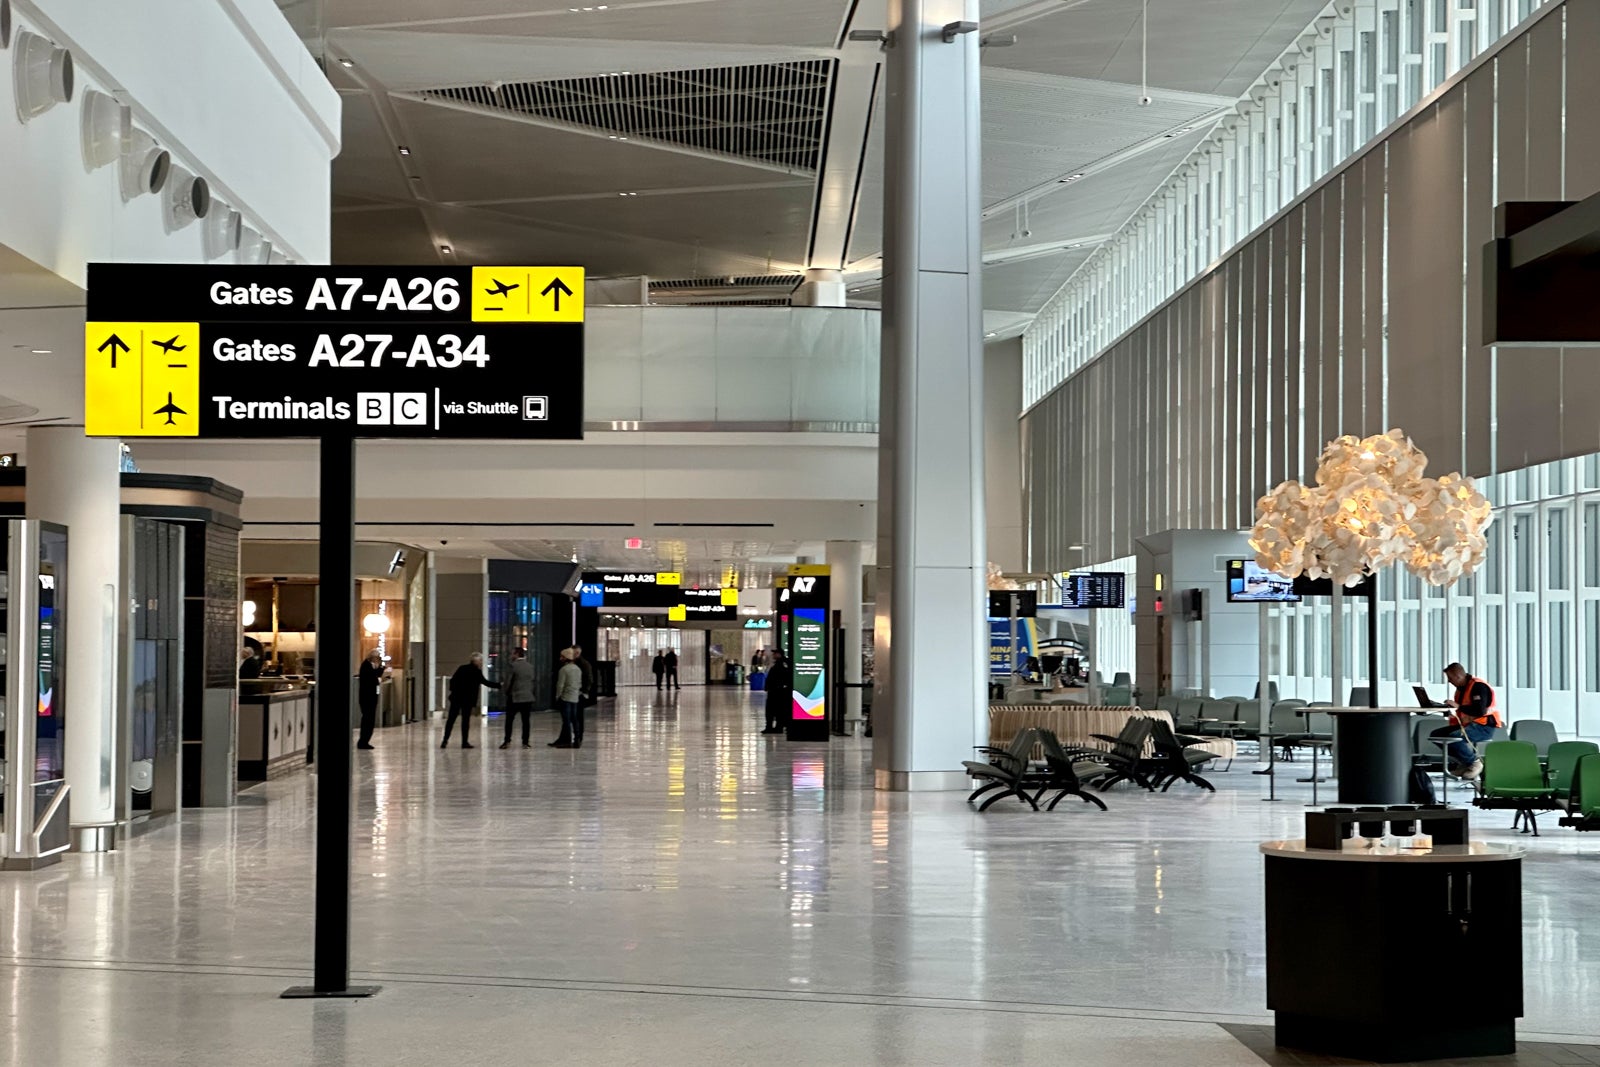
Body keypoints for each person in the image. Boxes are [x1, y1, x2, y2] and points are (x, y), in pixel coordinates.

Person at [1430, 662, 1501, 780]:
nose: (1449, 681)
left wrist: (1458, 706)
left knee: (1454, 738)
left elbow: (1480, 711)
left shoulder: (1478, 686)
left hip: (1483, 727)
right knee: (1436, 735)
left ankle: (1474, 762)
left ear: (1458, 676)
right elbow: (1463, 710)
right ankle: (1466, 763)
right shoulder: (1461, 689)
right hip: (1468, 725)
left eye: (1450, 678)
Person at [443, 652, 497, 749]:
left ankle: (445, 740)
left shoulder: (462, 668)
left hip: (456, 698)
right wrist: (499, 685)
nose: (481, 663)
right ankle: (464, 742)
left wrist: (454, 691)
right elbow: (486, 682)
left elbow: (453, 681)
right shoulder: (477, 672)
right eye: (480, 661)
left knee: (451, 719)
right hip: (468, 700)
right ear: (476, 661)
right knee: (465, 721)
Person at [499, 646, 537, 749]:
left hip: (515, 696)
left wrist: (506, 692)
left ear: (516, 654)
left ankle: (507, 741)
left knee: (509, 720)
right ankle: (525, 742)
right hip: (528, 697)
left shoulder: (513, 666)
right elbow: (532, 680)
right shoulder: (530, 666)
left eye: (512, 653)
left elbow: (508, 681)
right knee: (526, 721)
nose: (511, 655)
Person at [551, 648, 584, 749]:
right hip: (575, 697)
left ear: (565, 658)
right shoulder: (577, 669)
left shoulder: (564, 670)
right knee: (574, 719)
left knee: (566, 720)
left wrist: (557, 696)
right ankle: (577, 740)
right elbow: (579, 683)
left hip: (566, 697)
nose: (560, 658)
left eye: (562, 657)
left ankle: (567, 741)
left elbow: (560, 685)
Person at [357, 649, 388, 750]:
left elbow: (377, 674)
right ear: (373, 657)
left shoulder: (371, 665)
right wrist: (378, 679)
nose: (378, 659)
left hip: (371, 697)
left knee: (369, 720)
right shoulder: (366, 666)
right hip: (367, 698)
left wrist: (381, 668)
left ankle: (365, 740)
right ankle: (363, 741)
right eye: (377, 657)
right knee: (367, 719)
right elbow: (372, 679)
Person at [762, 653, 792, 735]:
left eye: (775, 653)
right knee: (778, 710)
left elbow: (772, 679)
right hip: (778, 691)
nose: (773, 655)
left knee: (773, 710)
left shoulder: (780, 666)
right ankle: (776, 727)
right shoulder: (779, 666)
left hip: (776, 691)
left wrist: (767, 687)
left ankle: (773, 727)